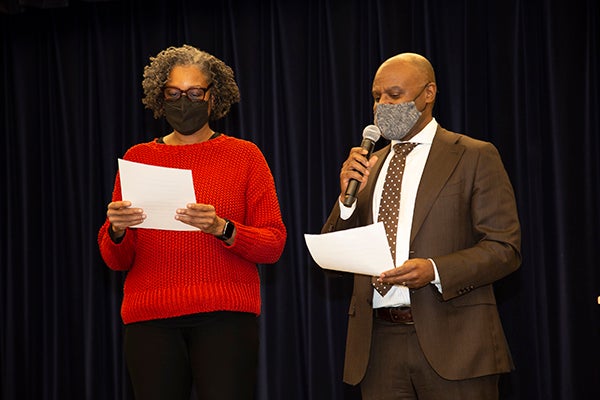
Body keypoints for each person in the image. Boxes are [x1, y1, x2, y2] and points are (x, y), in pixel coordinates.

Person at [321, 52, 521, 399]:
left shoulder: (473, 155)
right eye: (376, 96)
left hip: (457, 343)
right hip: (378, 345)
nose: (382, 105)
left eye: (394, 95)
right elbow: (334, 261)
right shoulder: (370, 164)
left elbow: (504, 248)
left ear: (428, 93)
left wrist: (434, 269)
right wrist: (347, 201)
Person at [98, 44, 286, 400]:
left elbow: (273, 243)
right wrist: (118, 230)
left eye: (195, 92)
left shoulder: (245, 156)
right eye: (174, 92)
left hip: (225, 319)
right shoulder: (138, 158)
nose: (184, 101)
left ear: (213, 98)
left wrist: (223, 228)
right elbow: (116, 259)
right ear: (160, 96)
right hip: (150, 320)